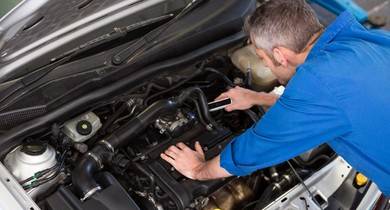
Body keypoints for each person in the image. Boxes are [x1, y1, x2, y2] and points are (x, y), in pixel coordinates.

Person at [160, 0, 390, 198]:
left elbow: (255, 149)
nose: (265, 64)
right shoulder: (370, 41)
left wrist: (198, 170)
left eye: (262, 58)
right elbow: (332, 104)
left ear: (280, 54)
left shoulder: (317, 82)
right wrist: (256, 97)